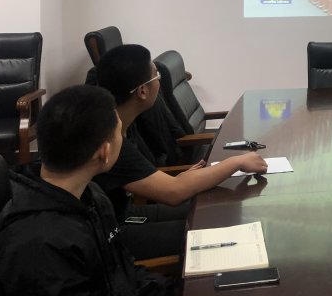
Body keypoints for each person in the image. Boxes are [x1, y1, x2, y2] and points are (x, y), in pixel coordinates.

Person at [0, 85, 169, 296]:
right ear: (104, 152)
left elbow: (120, 274)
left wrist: (158, 291)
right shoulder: (38, 245)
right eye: (119, 133)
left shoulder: (91, 195)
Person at [95, 44, 268, 260]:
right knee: (217, 227)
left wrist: (181, 180)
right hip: (112, 235)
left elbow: (162, 183)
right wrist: (237, 162)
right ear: (142, 91)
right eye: (157, 76)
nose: (159, 81)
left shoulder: (118, 121)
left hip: (122, 213)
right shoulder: (110, 140)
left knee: (219, 209)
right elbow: (174, 193)